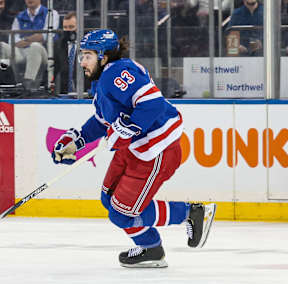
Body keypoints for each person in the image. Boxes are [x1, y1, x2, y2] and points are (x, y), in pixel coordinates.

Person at [51, 29, 216, 268]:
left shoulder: (117, 71)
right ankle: (150, 249)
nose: (82, 62)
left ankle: (191, 213)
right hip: (135, 148)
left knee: (121, 213)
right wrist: (76, 141)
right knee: (109, 199)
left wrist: (130, 126)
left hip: (156, 149)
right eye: (81, 56)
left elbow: (153, 103)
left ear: (104, 56)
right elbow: (101, 121)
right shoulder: (102, 80)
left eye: (87, 55)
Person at [0, 0, 59, 89]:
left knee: (35, 46)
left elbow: (46, 36)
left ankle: (29, 85)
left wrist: (26, 40)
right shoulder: (19, 16)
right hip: (22, 52)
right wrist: (33, 38)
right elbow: (12, 40)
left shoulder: (51, 13)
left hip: (43, 53)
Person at [53, 12, 90, 95]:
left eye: (71, 27)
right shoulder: (58, 45)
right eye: (65, 27)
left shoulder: (90, 44)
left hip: (86, 93)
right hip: (63, 94)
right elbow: (54, 69)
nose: (68, 30)